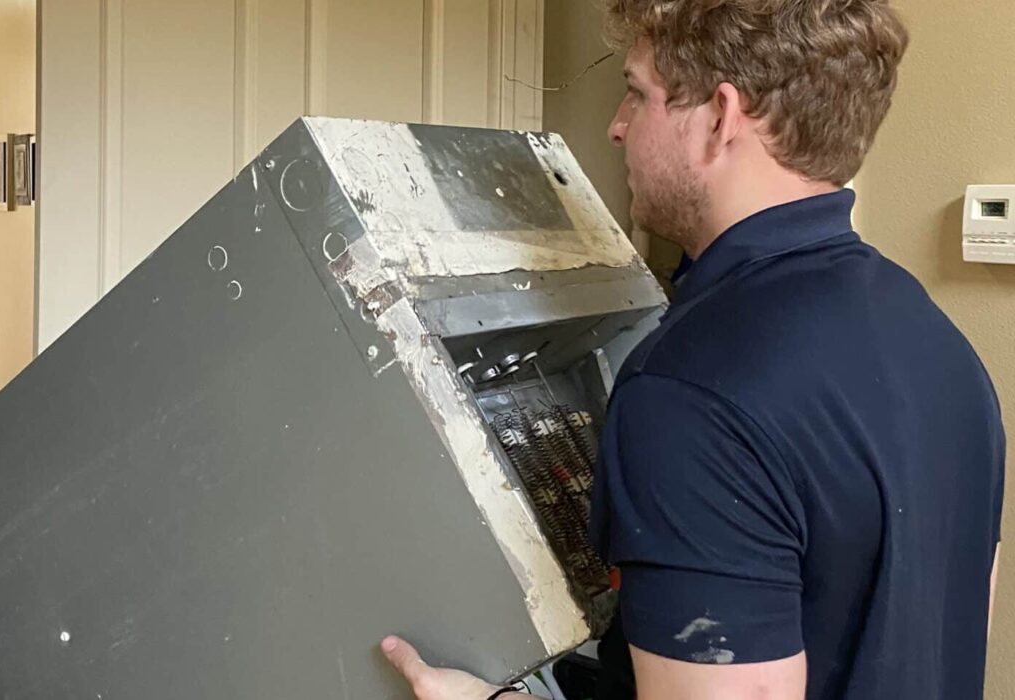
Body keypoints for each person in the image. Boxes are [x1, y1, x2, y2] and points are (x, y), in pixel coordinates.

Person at [382, 0, 1004, 698]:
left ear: (721, 117)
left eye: (637, 93)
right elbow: (943, 635)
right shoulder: (938, 343)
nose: (617, 126)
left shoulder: (690, 393)